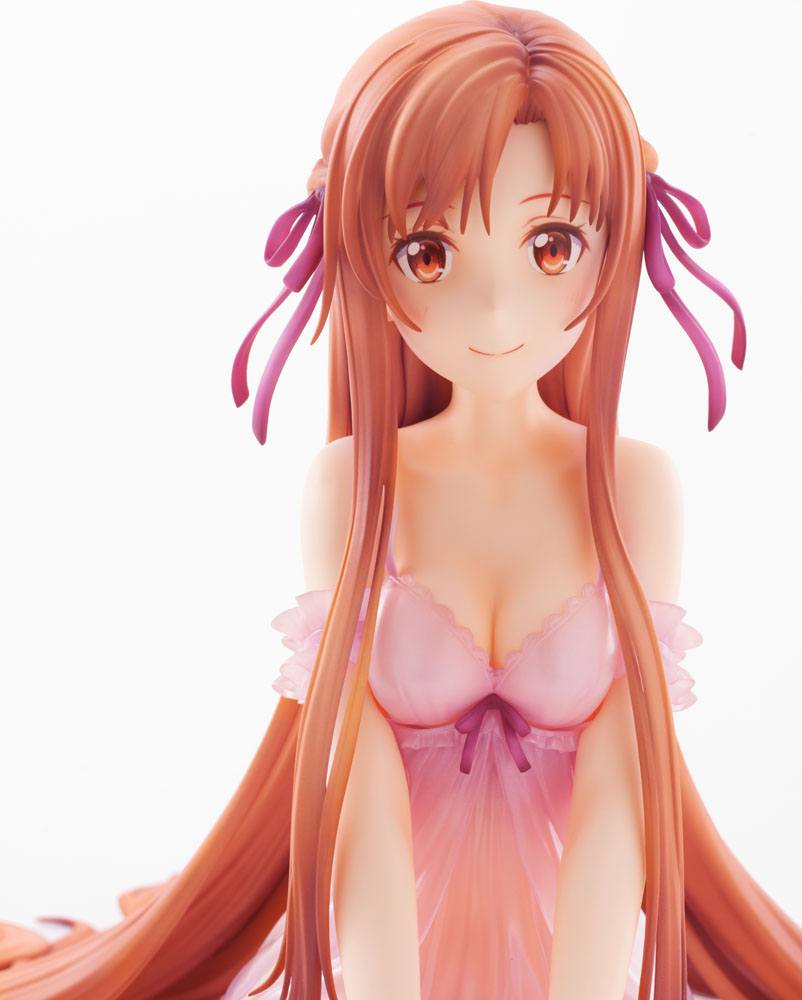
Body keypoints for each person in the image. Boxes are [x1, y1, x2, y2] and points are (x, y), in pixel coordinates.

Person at [1, 4, 799, 998]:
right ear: (363, 259)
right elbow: (355, 767)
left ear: (619, 237)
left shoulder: (634, 488)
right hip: (382, 944)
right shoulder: (354, 486)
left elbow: (623, 776)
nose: (496, 309)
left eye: (551, 246)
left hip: (582, 949)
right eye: (430, 254)